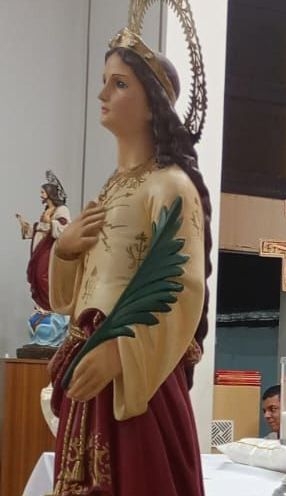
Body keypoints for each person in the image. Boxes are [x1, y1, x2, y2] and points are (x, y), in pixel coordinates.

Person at [46, 12, 212, 495]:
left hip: (137, 379)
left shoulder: (171, 186)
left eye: (118, 84)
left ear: (150, 104)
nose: (102, 95)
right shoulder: (113, 188)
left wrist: (121, 352)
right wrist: (65, 252)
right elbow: (74, 297)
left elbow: (183, 286)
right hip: (93, 370)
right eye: (104, 82)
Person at [15, 171, 72, 348]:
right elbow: (41, 229)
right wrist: (27, 227)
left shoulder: (61, 210)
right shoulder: (47, 210)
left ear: (50, 192)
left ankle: (51, 306)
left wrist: (51, 222)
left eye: (43, 191)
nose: (41, 194)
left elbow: (65, 229)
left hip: (50, 252)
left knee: (43, 276)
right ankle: (43, 306)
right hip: (40, 250)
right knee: (37, 278)